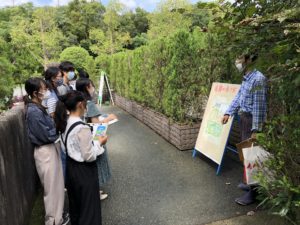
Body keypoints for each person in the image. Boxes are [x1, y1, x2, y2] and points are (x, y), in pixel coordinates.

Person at [55, 91, 107, 225]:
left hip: (71, 169)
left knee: (77, 207)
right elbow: (89, 156)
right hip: (84, 171)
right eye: (85, 104)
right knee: (89, 209)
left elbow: (69, 148)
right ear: (80, 104)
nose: (86, 107)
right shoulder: (81, 127)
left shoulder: (65, 122)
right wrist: (100, 142)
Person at [222, 53, 267, 206]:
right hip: (244, 120)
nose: (237, 62)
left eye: (240, 59)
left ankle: (253, 193)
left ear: (248, 60)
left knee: (252, 157)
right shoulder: (247, 77)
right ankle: (250, 185)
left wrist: (256, 130)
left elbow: (259, 108)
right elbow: (239, 97)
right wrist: (229, 112)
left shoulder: (258, 79)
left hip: (251, 122)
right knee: (246, 155)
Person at [24, 78, 66, 225]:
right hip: (45, 151)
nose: (46, 90)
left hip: (49, 149)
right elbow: (45, 135)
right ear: (35, 93)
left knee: (56, 186)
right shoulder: (34, 111)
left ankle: (57, 217)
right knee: (51, 188)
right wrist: (58, 129)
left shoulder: (37, 107)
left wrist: (55, 129)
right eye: (43, 88)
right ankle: (53, 220)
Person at [76, 78, 116, 200]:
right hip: (93, 137)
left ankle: (92, 191)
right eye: (92, 85)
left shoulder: (79, 102)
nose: (93, 88)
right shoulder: (89, 104)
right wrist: (109, 118)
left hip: (83, 137)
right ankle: (95, 192)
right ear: (88, 87)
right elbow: (96, 124)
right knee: (96, 163)